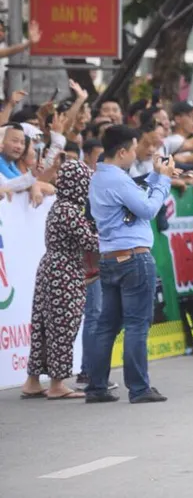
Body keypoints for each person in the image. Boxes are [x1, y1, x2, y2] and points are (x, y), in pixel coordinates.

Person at [86, 125, 173, 404]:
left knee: (106, 325)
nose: (135, 154)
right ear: (122, 151)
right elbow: (148, 209)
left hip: (110, 258)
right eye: (133, 149)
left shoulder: (99, 177)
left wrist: (156, 176)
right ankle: (138, 388)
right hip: (134, 256)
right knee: (137, 323)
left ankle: (97, 386)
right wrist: (163, 181)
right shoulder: (119, 180)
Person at [20, 160, 100, 400]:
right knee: (64, 326)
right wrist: (118, 240)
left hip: (50, 268)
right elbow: (89, 242)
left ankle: (33, 382)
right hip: (65, 272)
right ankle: (57, 384)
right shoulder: (70, 210)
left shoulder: (59, 206)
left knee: (44, 326)